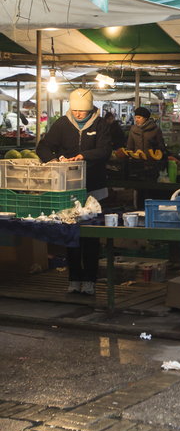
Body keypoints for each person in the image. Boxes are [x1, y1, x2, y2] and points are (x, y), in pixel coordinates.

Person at [36, 88, 111, 296]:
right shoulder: (62, 123)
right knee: (72, 235)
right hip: (68, 189)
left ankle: (90, 281)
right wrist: (53, 161)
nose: (78, 114)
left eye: (82, 111)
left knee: (91, 236)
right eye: (75, 110)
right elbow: (43, 147)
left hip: (94, 189)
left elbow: (105, 151)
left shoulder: (100, 124)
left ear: (90, 109)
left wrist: (83, 156)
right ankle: (74, 279)